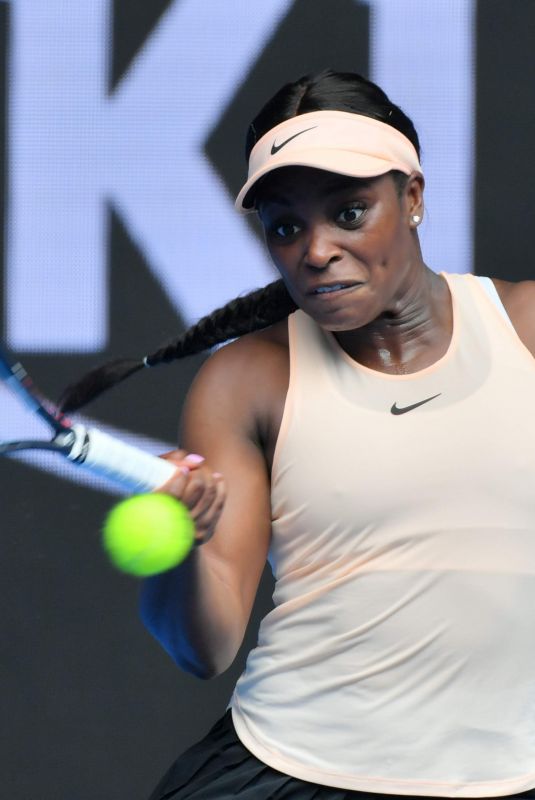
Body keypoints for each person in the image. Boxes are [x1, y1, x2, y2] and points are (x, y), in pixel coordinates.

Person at [60, 70, 535, 799]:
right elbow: (204, 645)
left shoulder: (523, 332)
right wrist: (181, 544)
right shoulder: (248, 380)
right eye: (285, 226)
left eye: (348, 212)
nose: (314, 251)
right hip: (292, 773)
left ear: (411, 197)